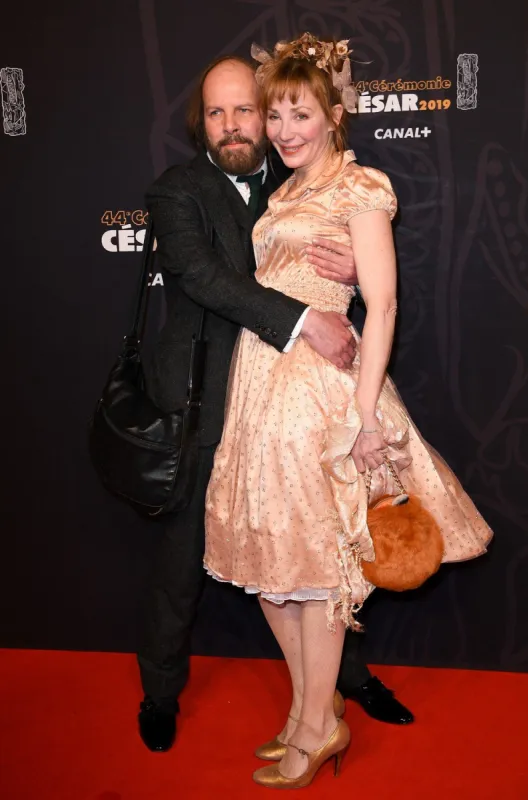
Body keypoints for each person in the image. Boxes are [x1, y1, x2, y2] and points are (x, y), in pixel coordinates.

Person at [203, 33, 493, 788]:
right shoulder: (283, 193)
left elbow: (386, 302)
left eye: (299, 115)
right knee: (273, 572)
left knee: (320, 568)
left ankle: (312, 725)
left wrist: (364, 415)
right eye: (275, 116)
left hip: (323, 396)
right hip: (260, 390)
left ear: (333, 116)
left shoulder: (360, 188)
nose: (283, 130)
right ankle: (314, 708)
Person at [137, 52, 413, 754]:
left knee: (318, 549)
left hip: (290, 404)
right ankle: (161, 693)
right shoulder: (178, 189)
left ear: (267, 118)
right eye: (216, 112)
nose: (234, 124)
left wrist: (356, 259)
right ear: (200, 123)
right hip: (205, 401)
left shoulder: (292, 182)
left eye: (245, 110)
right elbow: (201, 275)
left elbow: (334, 232)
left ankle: (340, 691)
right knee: (183, 558)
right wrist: (300, 317)